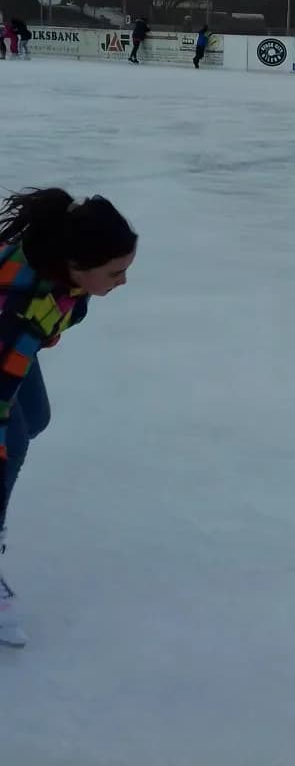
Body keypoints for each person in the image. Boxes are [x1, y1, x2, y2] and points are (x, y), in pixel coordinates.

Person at [0, 188, 137, 646]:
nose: (123, 281)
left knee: (35, 418)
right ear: (77, 265)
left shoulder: (62, 272)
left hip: (18, 344)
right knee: (11, 443)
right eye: (115, 272)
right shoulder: (17, 307)